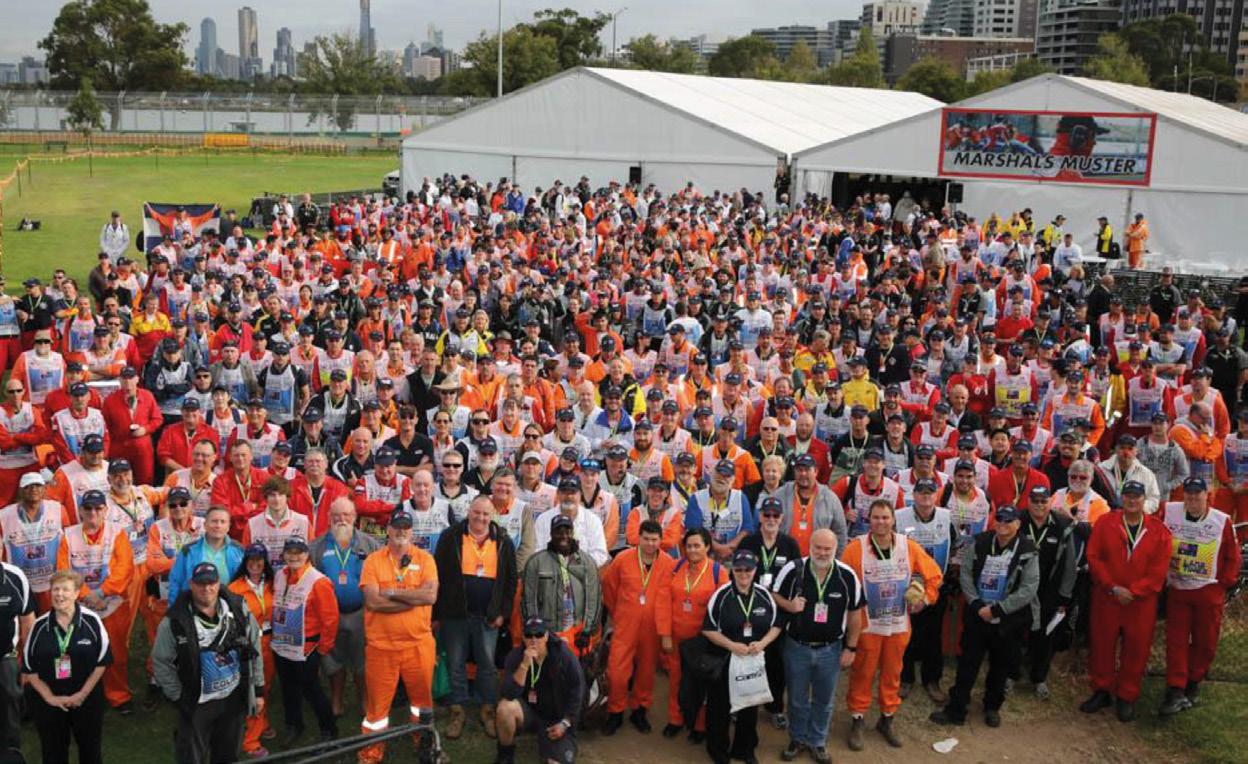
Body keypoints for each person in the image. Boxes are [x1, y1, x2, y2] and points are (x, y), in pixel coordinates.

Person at [841, 499, 942, 748]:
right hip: (867, 625)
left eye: (885, 517)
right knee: (862, 672)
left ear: (893, 520)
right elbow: (843, 583)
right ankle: (857, 718)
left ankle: (887, 718)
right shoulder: (855, 548)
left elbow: (934, 575)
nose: (881, 522)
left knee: (893, 672)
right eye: (876, 517)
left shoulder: (908, 547)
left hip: (898, 624)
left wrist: (925, 599)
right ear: (869, 520)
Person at [932, 506, 1039, 728]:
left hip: (1008, 618)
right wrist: (977, 604)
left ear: (1018, 524)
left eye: (1009, 520)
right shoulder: (980, 542)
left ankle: (992, 707)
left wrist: (998, 610)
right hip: (978, 614)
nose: (1003, 524)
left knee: (1000, 666)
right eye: (999, 519)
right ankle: (956, 709)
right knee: (967, 664)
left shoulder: (1028, 550)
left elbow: (1029, 588)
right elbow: (966, 573)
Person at [152, 561, 264, 764]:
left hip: (232, 700)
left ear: (219, 583)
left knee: (227, 756)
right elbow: (161, 662)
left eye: (211, 583)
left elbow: (254, 646)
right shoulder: (174, 621)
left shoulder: (239, 609)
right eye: (200, 584)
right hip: (197, 705)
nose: (206, 588)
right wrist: (178, 697)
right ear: (191, 585)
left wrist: (258, 689)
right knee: (190, 757)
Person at [1080, 480, 1172, 721]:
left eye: (1137, 496)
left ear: (1144, 499)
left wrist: (1135, 591)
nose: (1132, 500)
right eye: (1128, 495)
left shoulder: (1159, 530)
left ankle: (1127, 695)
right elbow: (1094, 556)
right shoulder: (1105, 523)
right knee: (1102, 645)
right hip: (1107, 597)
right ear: (1122, 498)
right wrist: (1112, 587)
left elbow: (1159, 570)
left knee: (1136, 649)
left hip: (1140, 603)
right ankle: (1102, 690)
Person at [771, 529, 863, 764]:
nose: (822, 553)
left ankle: (817, 741)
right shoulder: (793, 570)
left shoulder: (847, 575)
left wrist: (851, 648)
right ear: (810, 547)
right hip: (797, 647)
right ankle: (797, 738)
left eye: (827, 549)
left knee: (824, 700)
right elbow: (774, 595)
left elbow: (855, 614)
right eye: (818, 548)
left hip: (831, 650)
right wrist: (790, 606)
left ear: (836, 549)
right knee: (796, 699)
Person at [358, 508, 439, 764]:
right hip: (381, 648)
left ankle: (424, 745)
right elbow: (373, 602)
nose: (401, 531)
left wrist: (391, 592)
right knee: (377, 711)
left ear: (412, 532)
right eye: (397, 527)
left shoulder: (426, 559)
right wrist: (411, 599)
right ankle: (371, 754)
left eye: (406, 527)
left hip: (418, 645)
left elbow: (430, 596)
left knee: (422, 704)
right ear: (388, 530)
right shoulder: (373, 561)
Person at [434, 494, 518, 740]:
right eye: (476, 512)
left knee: (488, 665)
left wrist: (503, 613)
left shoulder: (503, 540)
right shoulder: (450, 536)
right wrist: (437, 614)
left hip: (488, 617)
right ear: (468, 512)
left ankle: (487, 709)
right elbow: (437, 575)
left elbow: (510, 581)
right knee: (455, 663)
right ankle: (457, 710)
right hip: (455, 614)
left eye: (485, 514)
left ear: (492, 515)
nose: (480, 518)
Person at [1158, 476, 1241, 715]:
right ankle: (1175, 689)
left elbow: (1233, 557)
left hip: (1208, 590)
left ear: (1208, 495)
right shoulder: (1169, 511)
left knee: (1206, 641)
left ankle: (1193, 681)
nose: (1193, 497)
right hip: (1178, 588)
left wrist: (1223, 584)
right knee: (1176, 641)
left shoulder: (1221, 520)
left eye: (1198, 493)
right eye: (1189, 492)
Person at [56, 488, 136, 713]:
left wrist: (101, 593)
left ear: (105, 510)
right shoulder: (68, 535)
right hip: (77, 605)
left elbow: (124, 568)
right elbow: (63, 569)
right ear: (80, 511)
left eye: (98, 508)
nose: (93, 513)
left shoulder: (117, 532)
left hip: (111, 603)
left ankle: (118, 695)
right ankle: (73, 693)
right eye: (88, 508)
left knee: (116, 652)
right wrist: (84, 595)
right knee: (70, 651)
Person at [700, 549, 781, 764]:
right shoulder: (721, 595)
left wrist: (762, 643)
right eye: (739, 569)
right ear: (732, 570)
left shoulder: (764, 595)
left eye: (748, 569)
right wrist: (731, 645)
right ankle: (718, 750)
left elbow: (777, 625)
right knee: (719, 707)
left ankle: (744, 750)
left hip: (752, 662)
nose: (743, 573)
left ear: (755, 570)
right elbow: (708, 629)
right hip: (725, 659)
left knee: (749, 707)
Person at [23, 570, 109, 764]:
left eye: (65, 589)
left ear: (77, 593)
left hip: (87, 700)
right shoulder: (39, 626)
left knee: (90, 750)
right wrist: (50, 698)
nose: (59, 594)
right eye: (55, 589)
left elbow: (102, 662)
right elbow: (30, 670)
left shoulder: (92, 621)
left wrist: (81, 695)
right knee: (53, 752)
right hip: (49, 703)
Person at [601, 519, 676, 735]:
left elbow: (671, 596)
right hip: (625, 624)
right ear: (638, 538)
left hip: (652, 627)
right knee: (617, 671)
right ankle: (615, 711)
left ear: (661, 540)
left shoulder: (668, 563)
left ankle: (639, 710)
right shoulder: (623, 559)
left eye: (654, 539)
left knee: (646, 671)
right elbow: (609, 586)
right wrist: (619, 613)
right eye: (646, 539)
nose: (650, 544)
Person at [655, 526, 729, 742]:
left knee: (701, 683)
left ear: (707, 547)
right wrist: (665, 634)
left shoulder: (718, 572)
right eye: (688, 546)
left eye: (697, 546)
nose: (692, 550)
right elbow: (663, 602)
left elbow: (723, 608)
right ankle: (675, 719)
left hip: (702, 642)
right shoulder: (675, 567)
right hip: (677, 639)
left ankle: (699, 725)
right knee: (676, 680)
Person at [309, 497, 380, 720]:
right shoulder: (316, 547)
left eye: (347, 515)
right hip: (330, 616)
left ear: (355, 517)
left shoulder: (370, 544)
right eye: (336, 515)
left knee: (362, 660)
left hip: (361, 613)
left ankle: (364, 699)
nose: (342, 519)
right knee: (333, 660)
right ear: (329, 518)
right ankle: (337, 699)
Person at [736, 496, 801, 729]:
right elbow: (739, 574)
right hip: (750, 612)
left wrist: (788, 603)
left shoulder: (789, 544)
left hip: (779, 613)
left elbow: (797, 579)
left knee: (776, 664)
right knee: (746, 659)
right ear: (760, 517)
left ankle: (775, 708)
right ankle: (742, 706)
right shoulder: (749, 543)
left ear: (782, 518)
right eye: (767, 515)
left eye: (775, 515)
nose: (771, 519)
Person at [270, 535, 339, 744]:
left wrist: (323, 648)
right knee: (288, 688)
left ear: (307, 554)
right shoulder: (280, 575)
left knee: (311, 690)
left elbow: (330, 619)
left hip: (306, 647)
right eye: (289, 552)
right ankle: (294, 725)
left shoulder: (318, 581)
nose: (294, 557)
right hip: (281, 644)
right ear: (283, 554)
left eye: (299, 552)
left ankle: (329, 730)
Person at [895, 478, 957, 701]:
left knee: (933, 636)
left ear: (936, 494)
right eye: (920, 491)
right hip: (906, 587)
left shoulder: (946, 518)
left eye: (930, 491)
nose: (925, 495)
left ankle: (932, 680)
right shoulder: (899, 517)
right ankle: (905, 678)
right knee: (906, 635)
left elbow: (953, 547)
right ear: (913, 494)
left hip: (934, 586)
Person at [494, 615, 585, 764]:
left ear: (547, 636)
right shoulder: (515, 656)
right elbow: (508, 693)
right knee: (504, 708)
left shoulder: (563, 655)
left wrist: (565, 722)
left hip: (555, 717)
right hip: (528, 712)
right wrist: (524, 665)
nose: (534, 640)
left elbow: (577, 689)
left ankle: (556, 747)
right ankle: (505, 756)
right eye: (529, 635)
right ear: (523, 637)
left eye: (539, 634)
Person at [1016, 486, 1078, 700]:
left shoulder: (1062, 526)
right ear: (1028, 502)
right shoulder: (1018, 520)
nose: (1039, 505)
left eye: (1043, 501)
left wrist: (1065, 595)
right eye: (1035, 500)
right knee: (1015, 631)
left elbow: (1070, 564)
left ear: (1050, 503)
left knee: (1046, 634)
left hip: (1049, 588)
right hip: (1020, 587)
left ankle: (1039, 677)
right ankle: (1010, 673)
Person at [522, 515, 603, 654]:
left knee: (575, 667)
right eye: (558, 531)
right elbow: (529, 601)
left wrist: (587, 631)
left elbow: (593, 599)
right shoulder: (535, 562)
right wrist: (535, 632)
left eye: (567, 531)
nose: (564, 536)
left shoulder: (587, 562)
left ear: (573, 533)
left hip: (577, 632)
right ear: (551, 534)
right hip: (547, 632)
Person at [227, 544, 277, 759]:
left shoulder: (273, 584)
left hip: (271, 643)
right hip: (249, 646)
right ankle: (251, 741)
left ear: (265, 562)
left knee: (265, 687)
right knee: (253, 690)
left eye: (259, 560)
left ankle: (262, 722)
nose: (255, 564)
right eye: (251, 559)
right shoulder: (234, 589)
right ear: (245, 562)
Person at [168, 505, 246, 605]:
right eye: (214, 521)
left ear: (228, 526)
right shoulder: (188, 551)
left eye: (223, 522)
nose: (218, 525)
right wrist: (173, 609)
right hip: (193, 607)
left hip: (229, 607)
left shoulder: (239, 550)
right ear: (205, 525)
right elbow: (175, 582)